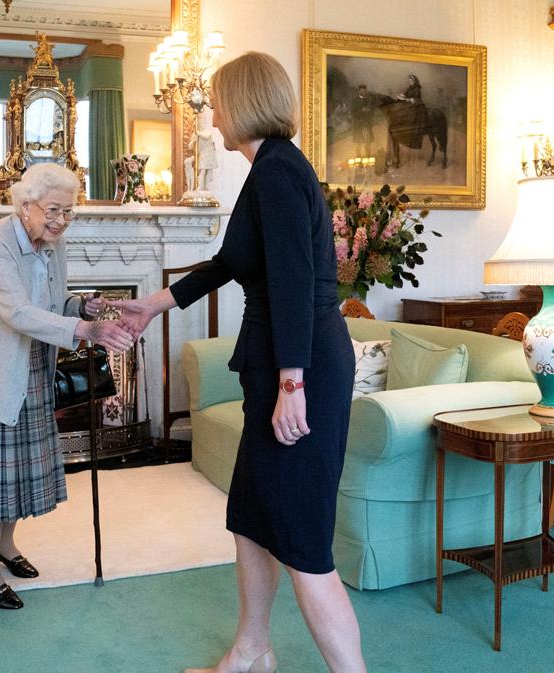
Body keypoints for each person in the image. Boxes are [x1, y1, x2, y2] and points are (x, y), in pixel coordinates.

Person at [110, 52, 365, 673]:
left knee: (304, 543)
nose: (211, 112)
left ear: (244, 103)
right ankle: (250, 656)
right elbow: (231, 264)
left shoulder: (278, 173)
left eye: (217, 100)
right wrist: (154, 305)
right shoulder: (267, 170)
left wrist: (292, 384)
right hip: (277, 364)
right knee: (251, 516)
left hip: (301, 367)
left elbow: (295, 282)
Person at [0, 163, 134, 610]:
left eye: (68, 213)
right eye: (53, 210)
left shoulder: (53, 244)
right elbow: (15, 311)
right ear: (25, 205)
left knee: (19, 470)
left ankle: (6, 548)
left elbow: (50, 303)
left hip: (32, 363)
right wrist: (85, 331)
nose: (60, 221)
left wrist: (80, 305)